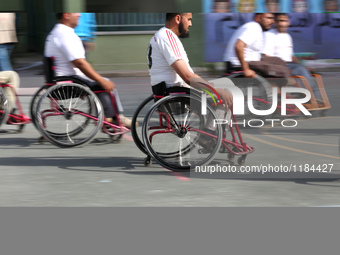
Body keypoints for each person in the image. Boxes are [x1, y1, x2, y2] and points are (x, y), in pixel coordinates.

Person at [44, 13, 133, 128]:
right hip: (67, 81)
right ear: (66, 15)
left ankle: (110, 117)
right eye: (75, 13)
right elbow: (79, 63)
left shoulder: (55, 32)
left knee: (100, 82)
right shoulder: (65, 35)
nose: (79, 15)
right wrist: (100, 79)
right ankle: (114, 118)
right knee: (104, 83)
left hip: (58, 80)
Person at [148, 13, 232, 110]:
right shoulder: (168, 37)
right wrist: (217, 90)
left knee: (226, 83)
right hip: (177, 96)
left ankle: (218, 124)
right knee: (226, 92)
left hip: (167, 92)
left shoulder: (160, 35)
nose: (190, 24)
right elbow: (187, 76)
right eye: (188, 19)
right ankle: (211, 126)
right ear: (178, 18)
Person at [262, 13, 322, 100]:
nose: (281, 24)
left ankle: (308, 97)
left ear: (288, 22)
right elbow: (266, 56)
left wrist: (304, 66)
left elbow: (291, 56)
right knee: (301, 70)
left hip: (290, 64)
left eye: (284, 21)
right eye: (279, 21)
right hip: (278, 66)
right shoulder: (269, 35)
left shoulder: (287, 36)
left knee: (310, 72)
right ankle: (312, 99)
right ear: (274, 22)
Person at [222, 13, 292, 80]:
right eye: (268, 18)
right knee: (284, 71)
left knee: (278, 61)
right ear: (258, 18)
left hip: (253, 61)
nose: (272, 21)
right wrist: (246, 69)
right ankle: (277, 88)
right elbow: (239, 46)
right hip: (240, 64)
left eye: (272, 18)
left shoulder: (256, 28)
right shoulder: (253, 27)